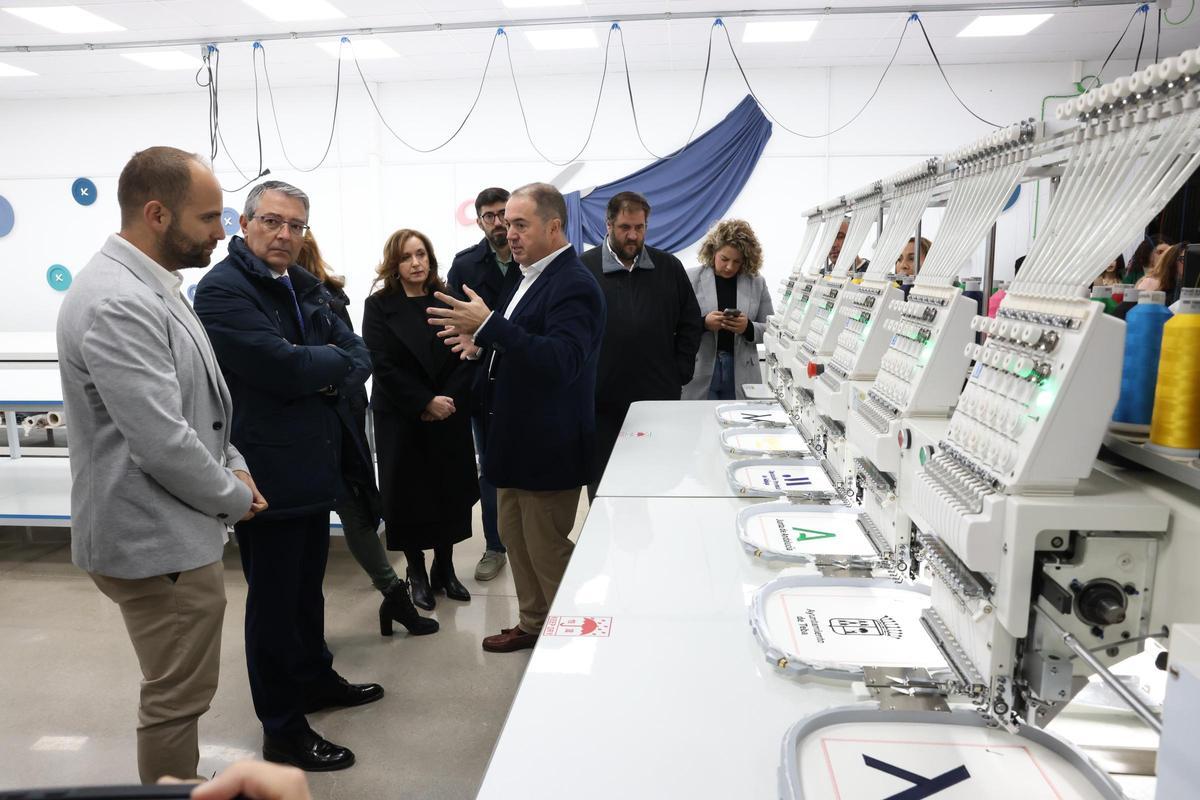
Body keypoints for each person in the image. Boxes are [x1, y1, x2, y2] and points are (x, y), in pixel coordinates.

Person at [56, 146, 266, 783]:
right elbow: (162, 442)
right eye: (208, 218)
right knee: (177, 700)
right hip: (158, 544)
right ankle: (171, 793)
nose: (222, 231)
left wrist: (235, 462)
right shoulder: (119, 301)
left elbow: (200, 403)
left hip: (174, 529)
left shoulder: (153, 286)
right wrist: (234, 496)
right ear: (155, 214)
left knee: (179, 692)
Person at [194, 180, 380, 772]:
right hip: (265, 476)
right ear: (243, 224)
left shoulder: (298, 284)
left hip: (311, 465)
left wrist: (319, 369)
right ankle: (281, 727)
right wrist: (323, 369)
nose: (285, 235)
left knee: (305, 592)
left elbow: (359, 355)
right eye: (272, 221)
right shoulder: (223, 291)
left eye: (296, 225)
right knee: (273, 605)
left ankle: (314, 680)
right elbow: (278, 365)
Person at [427, 182, 606, 654]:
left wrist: (488, 327)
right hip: (512, 440)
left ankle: (581, 631)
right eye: (506, 225)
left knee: (546, 547)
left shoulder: (574, 284)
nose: (510, 235)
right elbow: (520, 344)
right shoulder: (528, 276)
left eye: (521, 225)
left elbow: (562, 360)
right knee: (516, 541)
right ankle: (534, 623)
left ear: (554, 226)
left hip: (549, 444)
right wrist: (482, 346)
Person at [295, 231, 438, 638]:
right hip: (302, 431)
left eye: (421, 255)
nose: (416, 263)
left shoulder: (328, 298)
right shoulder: (253, 299)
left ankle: (395, 598)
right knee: (309, 527)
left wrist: (323, 383)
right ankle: (388, 600)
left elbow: (357, 361)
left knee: (356, 511)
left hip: (339, 422)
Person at [362, 229, 480, 611]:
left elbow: (466, 353)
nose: (416, 263)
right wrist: (424, 401)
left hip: (449, 411)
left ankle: (445, 569)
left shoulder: (449, 300)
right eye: (407, 257)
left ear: (431, 259)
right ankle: (417, 573)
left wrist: (447, 401)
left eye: (421, 255)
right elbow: (381, 363)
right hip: (402, 416)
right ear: (394, 263)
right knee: (410, 495)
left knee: (449, 491)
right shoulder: (379, 305)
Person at [579, 191, 703, 500]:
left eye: (640, 227)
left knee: (655, 481)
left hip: (657, 401)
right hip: (601, 403)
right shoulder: (584, 269)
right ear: (607, 225)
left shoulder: (669, 268)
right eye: (624, 227)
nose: (633, 235)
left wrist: (680, 371)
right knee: (604, 486)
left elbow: (690, 322)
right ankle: (604, 545)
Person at [446, 188, 521, 583]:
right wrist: (472, 346)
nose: (497, 222)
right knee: (490, 466)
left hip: (527, 377)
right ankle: (495, 545)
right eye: (489, 216)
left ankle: (527, 539)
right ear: (478, 221)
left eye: (503, 214)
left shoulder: (532, 261)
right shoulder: (466, 265)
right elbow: (451, 321)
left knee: (529, 462)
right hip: (483, 383)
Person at [682, 219, 774, 401]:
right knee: (699, 425)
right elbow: (673, 326)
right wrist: (704, 323)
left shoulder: (757, 282)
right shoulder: (690, 278)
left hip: (742, 371)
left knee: (742, 427)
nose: (730, 267)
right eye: (724, 259)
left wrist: (748, 328)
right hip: (699, 370)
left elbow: (771, 331)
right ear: (712, 251)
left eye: (737, 262)